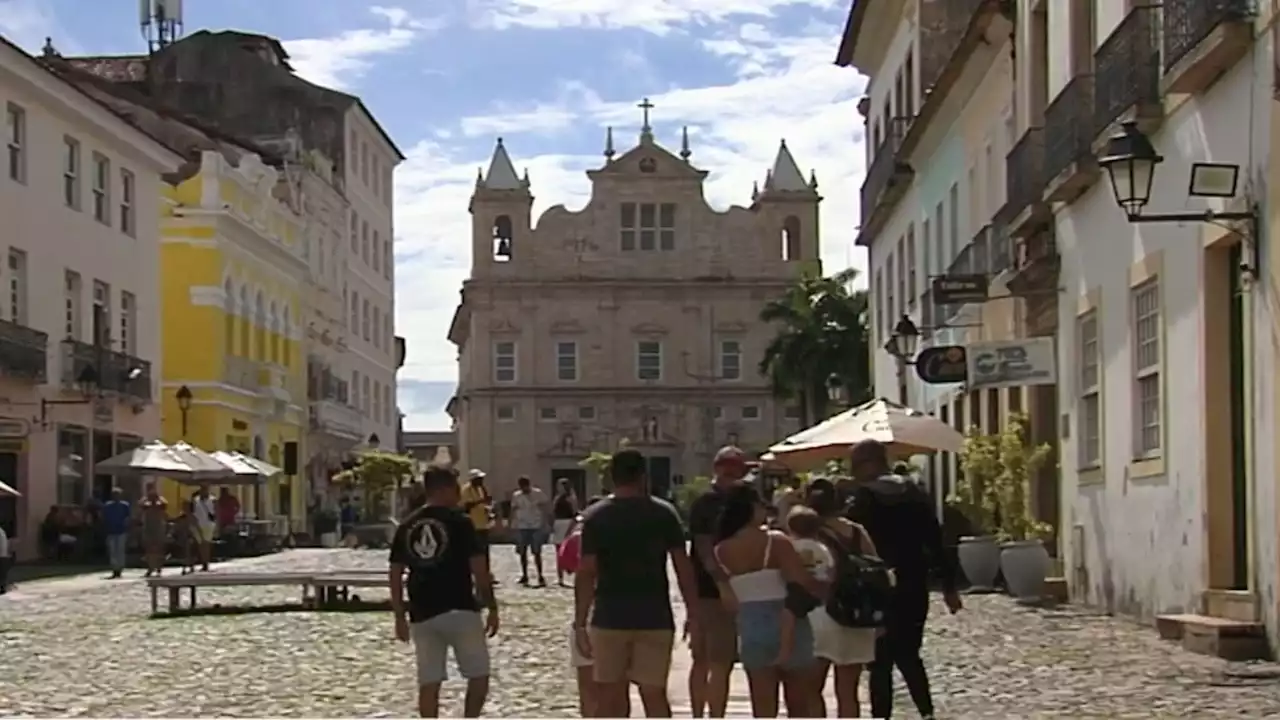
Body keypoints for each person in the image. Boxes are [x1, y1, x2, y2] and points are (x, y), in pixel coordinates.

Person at [574, 448, 699, 718]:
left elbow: (586, 572)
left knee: (609, 696)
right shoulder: (664, 514)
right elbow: (683, 567)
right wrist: (693, 611)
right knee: (654, 694)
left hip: (609, 615)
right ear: (644, 476)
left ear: (611, 477)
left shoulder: (596, 516)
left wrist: (580, 622)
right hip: (654, 615)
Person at [846, 439, 962, 720]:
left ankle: (881, 716)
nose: (854, 472)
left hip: (878, 586)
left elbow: (851, 544)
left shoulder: (864, 498)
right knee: (910, 654)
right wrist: (949, 585)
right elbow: (935, 539)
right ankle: (926, 712)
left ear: (870, 463)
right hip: (913, 582)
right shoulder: (914, 492)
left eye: (856, 466)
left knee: (879, 662)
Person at [390, 465, 499, 719]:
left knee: (429, 680)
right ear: (445, 488)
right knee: (478, 674)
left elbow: (395, 573)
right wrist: (491, 606)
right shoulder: (460, 523)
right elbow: (479, 570)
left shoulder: (408, 524)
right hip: (459, 606)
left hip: (422, 611)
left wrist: (398, 615)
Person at [713, 484, 823, 718]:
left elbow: (729, 598)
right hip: (786, 618)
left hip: (751, 624)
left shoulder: (722, 549)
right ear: (751, 509)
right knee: (797, 702)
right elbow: (800, 580)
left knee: (762, 706)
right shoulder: (776, 541)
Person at [804, 477, 880, 718]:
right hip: (854, 613)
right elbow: (876, 568)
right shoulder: (856, 531)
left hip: (818, 614)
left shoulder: (807, 532)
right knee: (848, 692)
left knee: (810, 689)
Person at [685, 445, 748, 718]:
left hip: (736, 589)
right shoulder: (706, 503)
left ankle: (712, 715)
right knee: (708, 660)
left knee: (718, 662)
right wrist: (722, 582)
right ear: (718, 469)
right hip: (710, 590)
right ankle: (704, 715)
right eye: (728, 468)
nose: (733, 473)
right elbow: (703, 547)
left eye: (737, 468)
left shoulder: (743, 503)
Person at [510, 476, 550, 587]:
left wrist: (546, 522)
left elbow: (544, 507)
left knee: (537, 552)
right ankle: (524, 574)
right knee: (522, 551)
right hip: (522, 525)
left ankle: (540, 575)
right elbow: (513, 509)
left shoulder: (538, 494)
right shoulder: (516, 496)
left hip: (536, 525)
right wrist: (511, 524)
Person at [459, 469, 493, 566]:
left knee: (485, 550)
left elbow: (484, 503)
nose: (481, 480)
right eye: (479, 478)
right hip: (473, 525)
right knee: (475, 551)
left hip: (483, 524)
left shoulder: (481, 489)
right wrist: (481, 501)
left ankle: (486, 572)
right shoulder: (466, 490)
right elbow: (466, 506)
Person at [551, 478, 579, 586]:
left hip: (567, 522)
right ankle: (560, 578)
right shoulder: (557, 498)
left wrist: (572, 527)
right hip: (558, 523)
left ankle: (574, 572)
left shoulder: (571, 498)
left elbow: (575, 512)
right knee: (558, 551)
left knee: (570, 550)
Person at [139, 483, 169, 577]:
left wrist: (156, 500)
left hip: (159, 527)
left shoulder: (161, 499)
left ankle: (159, 568)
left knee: (159, 548)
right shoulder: (144, 500)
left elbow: (164, 505)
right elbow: (141, 506)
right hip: (148, 527)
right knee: (149, 549)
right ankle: (150, 568)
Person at [102, 487, 132, 579]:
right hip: (111, 531)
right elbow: (104, 517)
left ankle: (119, 569)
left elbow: (128, 517)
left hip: (121, 530)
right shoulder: (107, 506)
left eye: (117, 495)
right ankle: (114, 568)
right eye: (114, 495)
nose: (116, 497)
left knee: (120, 550)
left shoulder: (124, 505)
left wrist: (127, 527)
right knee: (113, 551)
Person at [191, 485, 216, 571]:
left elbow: (216, 512)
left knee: (206, 544)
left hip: (209, 524)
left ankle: (206, 563)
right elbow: (193, 511)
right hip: (198, 524)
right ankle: (203, 561)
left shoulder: (213, 499)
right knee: (200, 544)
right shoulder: (195, 500)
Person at [0, 522, 10, 594]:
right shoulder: (2, 531)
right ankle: (3, 586)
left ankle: (3, 587)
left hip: (1, 555)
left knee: (2, 573)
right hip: (3, 555)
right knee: (2, 574)